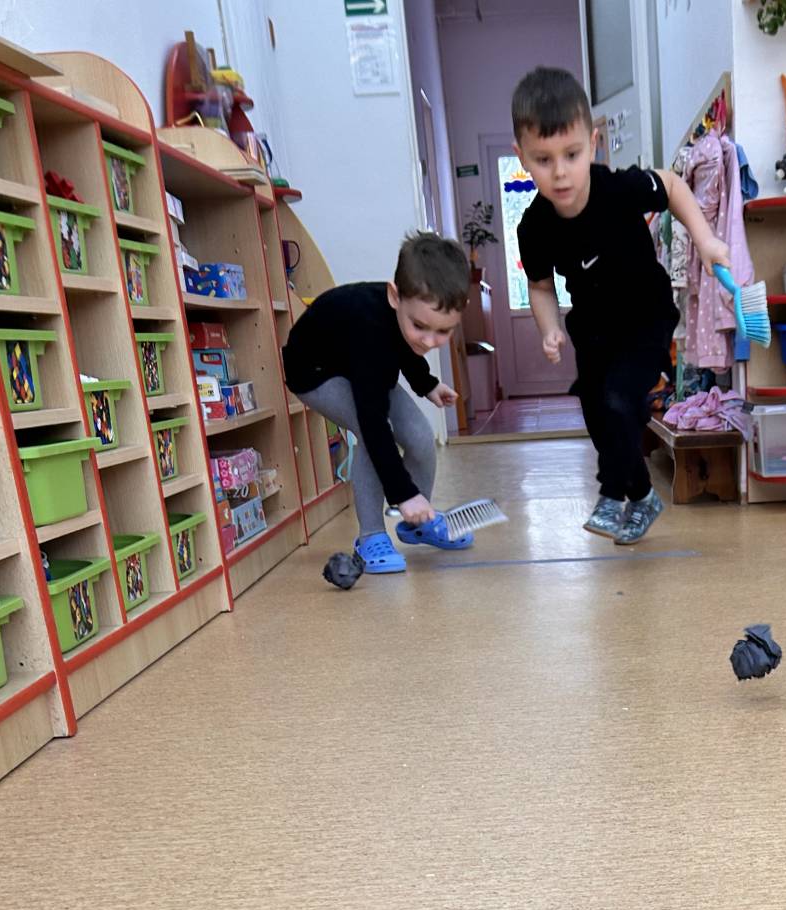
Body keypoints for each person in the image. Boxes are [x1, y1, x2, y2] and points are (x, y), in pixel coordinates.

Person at [513, 67, 733, 545]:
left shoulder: (617, 188)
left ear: (592, 144)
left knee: (618, 401)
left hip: (645, 318)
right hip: (592, 331)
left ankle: (613, 494)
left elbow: (672, 186)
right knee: (600, 417)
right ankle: (642, 496)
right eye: (543, 160)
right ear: (522, 157)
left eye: (571, 155)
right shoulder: (534, 227)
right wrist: (548, 327)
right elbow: (541, 285)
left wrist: (706, 240)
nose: (560, 172)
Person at [282, 232, 468, 574]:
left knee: (419, 435)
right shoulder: (370, 329)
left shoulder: (400, 324)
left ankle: (418, 523)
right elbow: (373, 422)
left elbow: (406, 347)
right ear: (395, 297)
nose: (430, 341)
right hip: (315, 373)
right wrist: (402, 492)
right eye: (421, 326)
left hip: (360, 366)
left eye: (443, 331)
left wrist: (426, 384)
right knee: (371, 435)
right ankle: (370, 536)